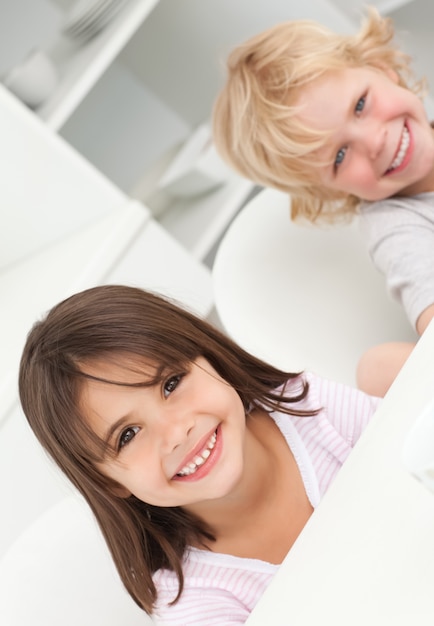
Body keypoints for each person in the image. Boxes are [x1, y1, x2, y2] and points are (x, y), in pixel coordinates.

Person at [19, 284, 380, 625]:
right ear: (107, 481)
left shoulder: (308, 407)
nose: (176, 433)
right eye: (127, 436)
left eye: (170, 383)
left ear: (209, 356)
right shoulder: (195, 604)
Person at [212, 7, 434, 397]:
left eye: (360, 105)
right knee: (377, 368)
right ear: (329, 191)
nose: (374, 141)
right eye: (340, 156)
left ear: (381, 68)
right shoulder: (396, 227)